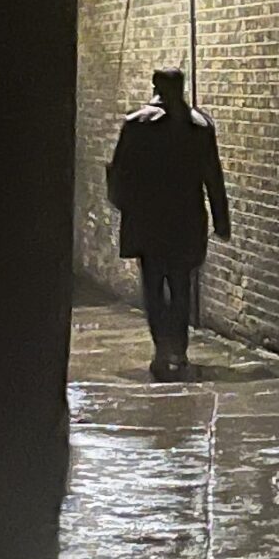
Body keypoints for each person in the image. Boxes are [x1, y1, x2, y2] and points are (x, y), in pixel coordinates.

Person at [106, 68, 231, 379]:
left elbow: (119, 174)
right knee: (181, 284)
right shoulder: (200, 127)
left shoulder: (136, 124)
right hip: (187, 218)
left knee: (152, 285)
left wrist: (126, 207)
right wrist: (221, 219)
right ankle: (180, 348)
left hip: (148, 219)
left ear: (154, 86)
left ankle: (162, 347)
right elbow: (212, 177)